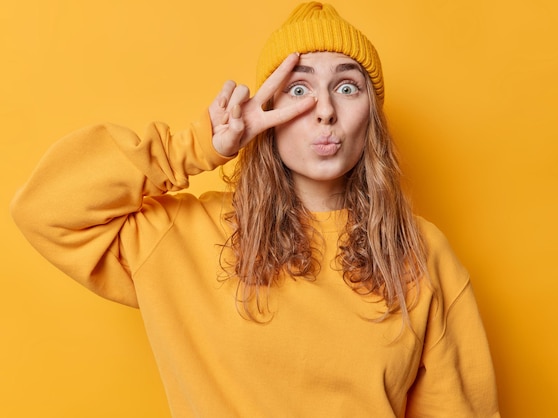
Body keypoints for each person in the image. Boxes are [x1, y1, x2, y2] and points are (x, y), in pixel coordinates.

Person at [11, 2, 500, 417]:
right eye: (298, 89)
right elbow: (45, 208)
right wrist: (196, 146)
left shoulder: (420, 251)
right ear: (267, 112)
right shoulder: (183, 236)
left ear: (371, 117)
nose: (325, 109)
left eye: (347, 87)